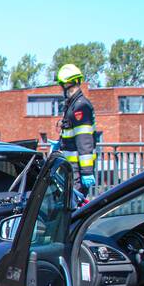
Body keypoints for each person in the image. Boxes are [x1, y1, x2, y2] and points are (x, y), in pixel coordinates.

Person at [55, 64, 97, 194]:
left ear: (66, 84)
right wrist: (60, 144)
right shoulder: (73, 105)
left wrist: (87, 171)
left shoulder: (80, 106)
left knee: (74, 206)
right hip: (71, 168)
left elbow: (84, 140)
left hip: (77, 170)